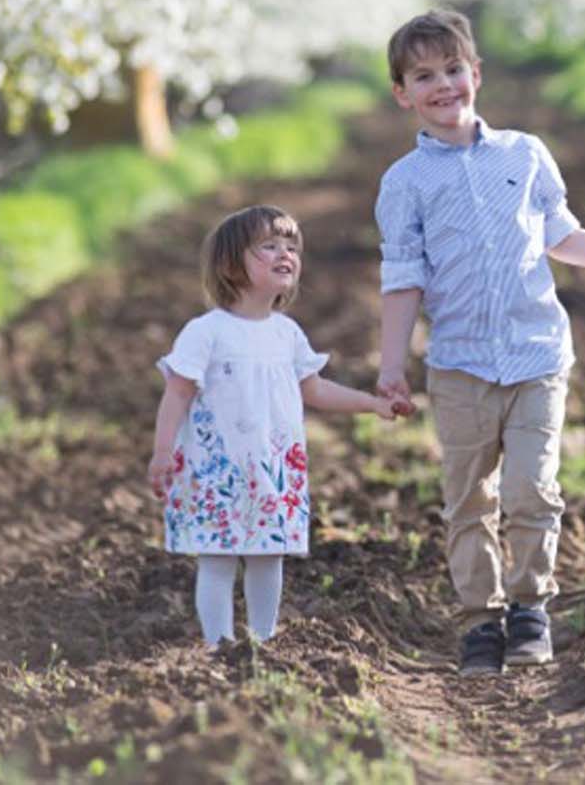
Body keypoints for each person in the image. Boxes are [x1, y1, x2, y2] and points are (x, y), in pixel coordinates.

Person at [374, 8, 585, 675]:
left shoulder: (524, 153)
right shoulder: (404, 184)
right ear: (402, 94)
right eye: (424, 76)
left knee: (531, 488)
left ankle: (530, 605)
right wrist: (391, 366)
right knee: (468, 496)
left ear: (476, 74)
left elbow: (561, 234)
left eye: (453, 69)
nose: (442, 85)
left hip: (538, 353)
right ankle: (481, 620)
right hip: (458, 365)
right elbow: (402, 279)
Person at [149, 204, 412, 649]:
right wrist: (162, 453)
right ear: (231, 266)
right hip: (218, 472)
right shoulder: (206, 331)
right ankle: (220, 646)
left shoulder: (286, 333)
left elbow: (316, 390)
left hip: (272, 472)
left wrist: (373, 405)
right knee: (217, 559)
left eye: (291, 247)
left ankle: (263, 642)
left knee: (268, 557)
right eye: (269, 247)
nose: (285, 254)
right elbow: (176, 394)